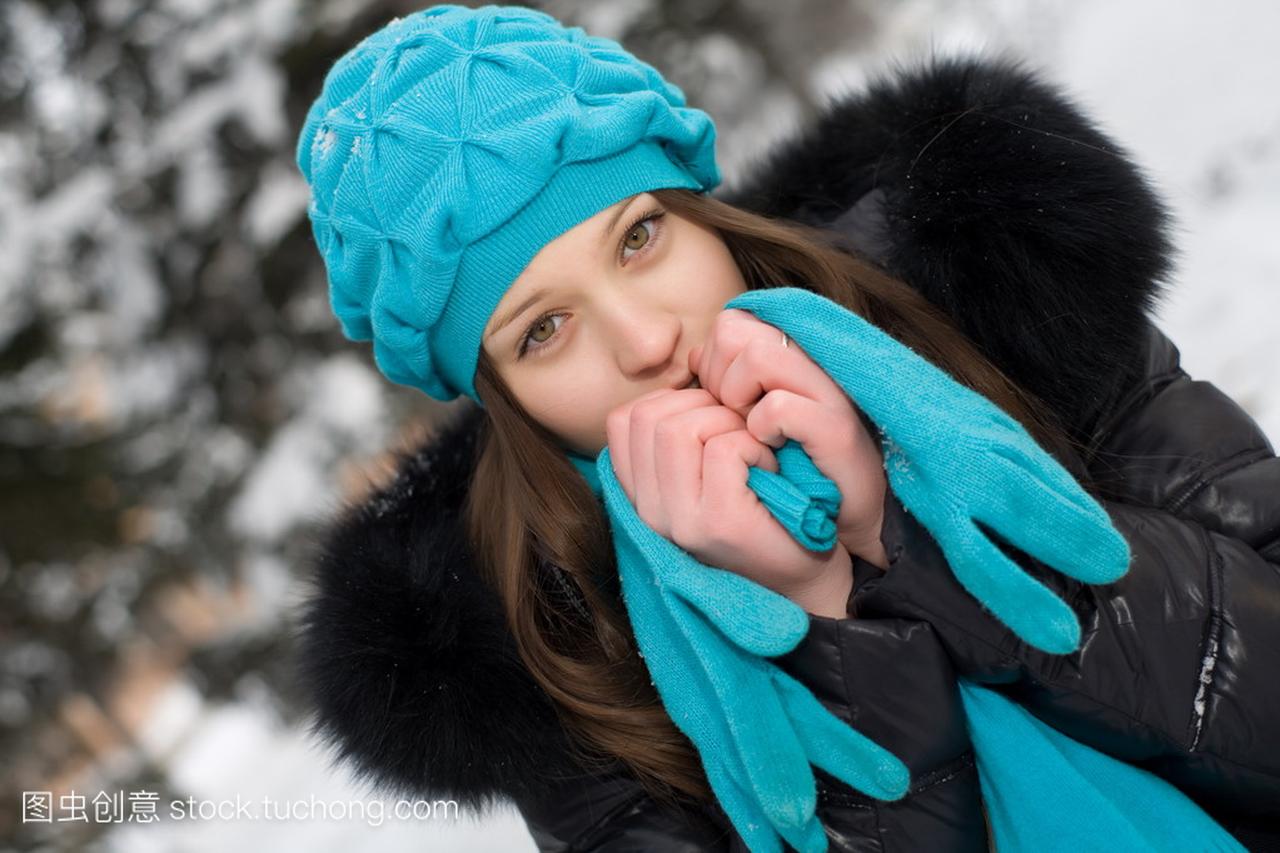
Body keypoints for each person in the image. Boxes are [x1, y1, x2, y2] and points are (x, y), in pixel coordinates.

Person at [291, 5, 1280, 850]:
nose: (644, 338)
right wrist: (823, 617)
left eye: (638, 237)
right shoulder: (544, 660)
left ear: (696, 208)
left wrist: (905, 534)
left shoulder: (987, 299)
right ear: (499, 391)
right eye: (543, 330)